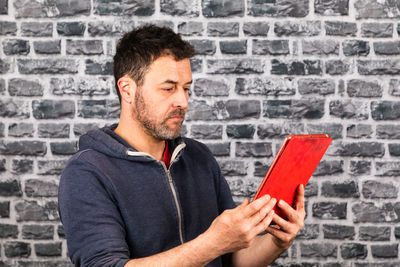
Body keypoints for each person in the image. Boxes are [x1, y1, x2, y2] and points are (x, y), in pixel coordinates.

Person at [58, 24, 305, 267]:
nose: (183, 101)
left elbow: (232, 260)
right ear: (128, 89)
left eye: (186, 89)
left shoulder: (199, 157)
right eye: (169, 88)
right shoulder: (86, 173)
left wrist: (277, 242)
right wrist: (213, 243)